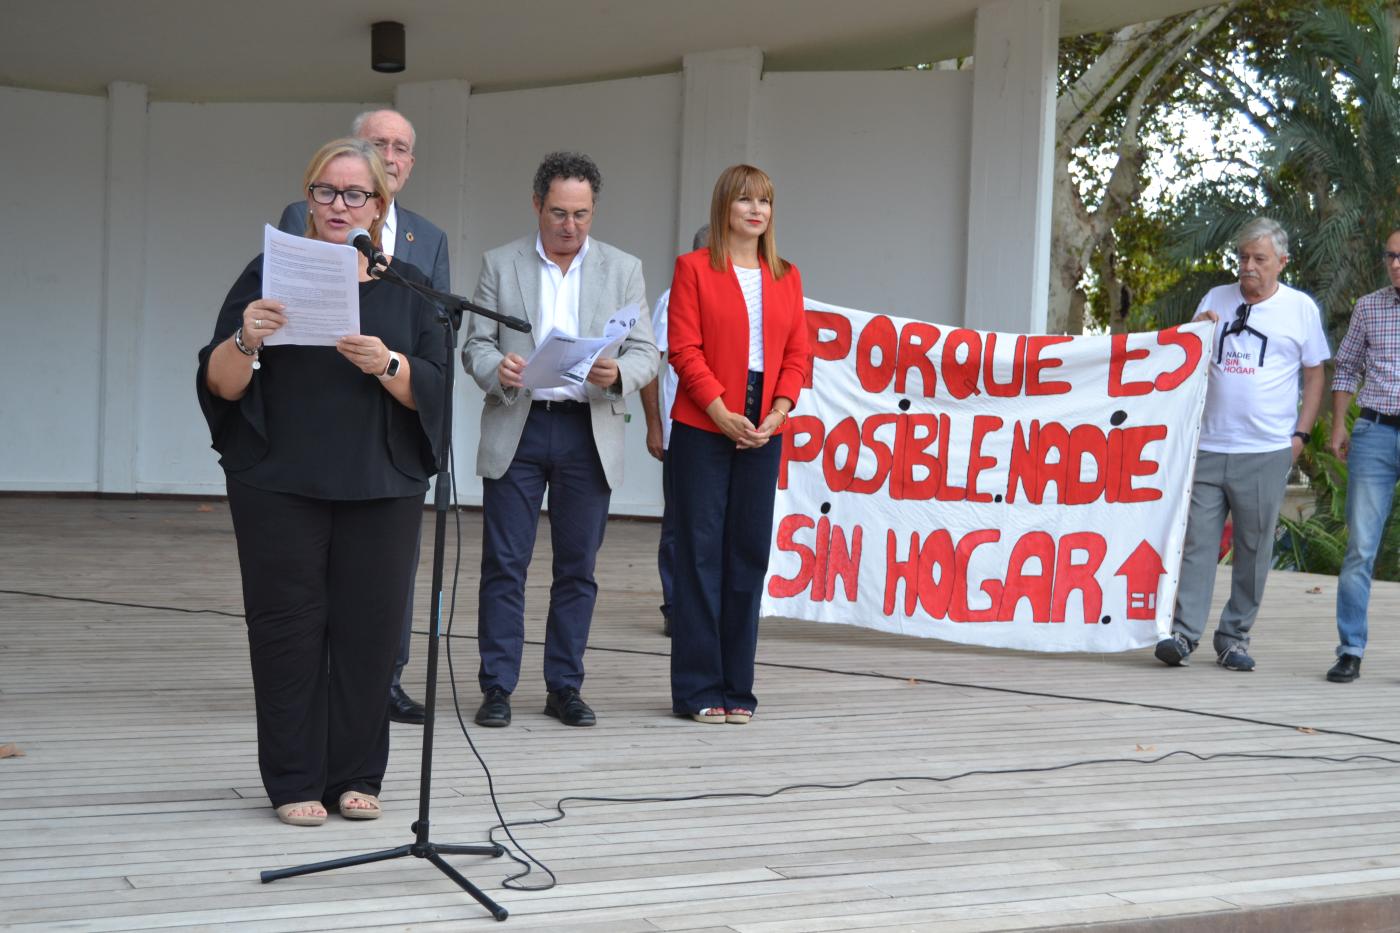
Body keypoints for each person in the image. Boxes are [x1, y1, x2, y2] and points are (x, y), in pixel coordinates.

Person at [198, 138, 447, 825]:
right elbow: (219, 383)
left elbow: (435, 385)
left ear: (380, 202)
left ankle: (357, 773)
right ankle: (294, 778)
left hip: (381, 483)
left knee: (368, 634)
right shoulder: (266, 273)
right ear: (307, 197)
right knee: (287, 630)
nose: (340, 206)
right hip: (281, 482)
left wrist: (389, 364)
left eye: (355, 194)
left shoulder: (408, 286)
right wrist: (247, 338)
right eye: (326, 192)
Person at [462, 151, 656, 728]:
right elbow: (474, 342)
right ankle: (497, 686)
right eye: (558, 213)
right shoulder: (501, 263)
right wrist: (497, 367)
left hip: (586, 430)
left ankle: (564, 687)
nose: (569, 226)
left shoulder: (623, 269)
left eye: (581, 214)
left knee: (578, 568)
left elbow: (646, 351)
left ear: (594, 211)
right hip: (518, 423)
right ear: (536, 206)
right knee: (504, 563)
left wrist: (617, 373)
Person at [277, 109, 449, 726]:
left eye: (402, 146)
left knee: (385, 579)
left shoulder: (427, 239)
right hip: (314, 428)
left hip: (385, 440)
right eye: (380, 144)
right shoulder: (306, 219)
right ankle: (318, 683)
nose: (392, 155)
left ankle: (386, 680)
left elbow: (433, 341)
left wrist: (393, 364)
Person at [667, 165, 810, 724]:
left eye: (766, 202)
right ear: (724, 205)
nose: (757, 210)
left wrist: (778, 411)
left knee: (748, 554)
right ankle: (699, 690)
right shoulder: (694, 269)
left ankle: (737, 690)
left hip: (765, 423)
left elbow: (799, 355)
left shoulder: (787, 275)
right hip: (706, 422)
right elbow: (684, 349)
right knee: (700, 557)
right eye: (746, 199)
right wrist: (721, 411)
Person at [1155, 217, 1328, 672]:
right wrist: (1196, 328)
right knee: (1197, 543)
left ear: (1282, 263)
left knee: (1253, 548)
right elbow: (1185, 358)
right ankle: (1183, 635)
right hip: (1210, 443)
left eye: (1259, 259)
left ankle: (1233, 638)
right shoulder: (1216, 298)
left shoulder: (1300, 309)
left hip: (1266, 449)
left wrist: (1300, 436)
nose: (1247, 267)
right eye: (1243, 258)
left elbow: (1314, 375)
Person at [1325, 229, 1400, 683]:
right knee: (1360, 548)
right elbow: (1347, 366)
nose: (1395, 264)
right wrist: (1338, 425)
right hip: (1373, 432)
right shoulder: (1369, 306)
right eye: (1390, 255)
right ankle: (1350, 650)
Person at [640, 223, 710, 638]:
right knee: (682, 521)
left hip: (728, 428)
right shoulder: (676, 299)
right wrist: (654, 425)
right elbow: (652, 363)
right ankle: (677, 606)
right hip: (682, 426)